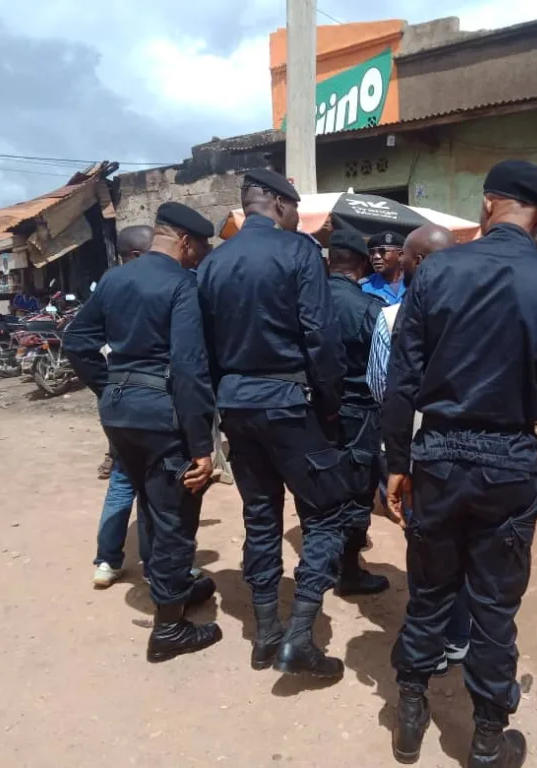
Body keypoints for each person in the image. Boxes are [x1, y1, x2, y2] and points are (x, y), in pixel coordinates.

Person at [383, 161, 537, 766]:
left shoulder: (437, 271)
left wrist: (397, 461)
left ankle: (410, 713)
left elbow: (402, 378)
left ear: (487, 206)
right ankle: (485, 740)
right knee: (493, 606)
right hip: (508, 460)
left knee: (429, 590)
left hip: (440, 454)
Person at [197, 168, 349, 680]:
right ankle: (300, 638)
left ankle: (266, 634)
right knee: (326, 514)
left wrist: (222, 404)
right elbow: (320, 335)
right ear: (280, 205)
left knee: (261, 516)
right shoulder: (299, 251)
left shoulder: (213, 263)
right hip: (291, 402)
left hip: (237, 407)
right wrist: (330, 404)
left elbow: (204, 349)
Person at [65, 203, 221, 663]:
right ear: (186, 243)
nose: (202, 256)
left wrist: (112, 386)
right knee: (174, 516)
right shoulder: (181, 286)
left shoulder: (114, 278)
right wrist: (202, 447)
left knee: (152, 505)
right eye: (202, 247)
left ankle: (173, 589)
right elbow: (191, 369)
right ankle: (169, 630)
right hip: (162, 418)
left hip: (118, 415)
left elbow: (77, 341)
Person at [367, 223, 473, 677]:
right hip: (478, 449)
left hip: (415, 448)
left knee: (426, 547)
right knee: (468, 544)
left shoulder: (393, 317)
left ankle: (427, 643)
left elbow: (380, 388)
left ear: (420, 263)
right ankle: (459, 637)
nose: (398, 263)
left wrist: (395, 458)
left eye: (405, 257)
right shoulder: (482, 314)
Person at [321, 226, 389, 597]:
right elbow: (384, 372)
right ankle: (349, 570)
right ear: (362, 264)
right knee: (358, 491)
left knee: (322, 486)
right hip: (360, 414)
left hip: (316, 412)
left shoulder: (306, 302)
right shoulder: (370, 308)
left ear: (331, 261)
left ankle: (324, 561)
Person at [92, 224, 155, 588]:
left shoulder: (107, 285)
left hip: (115, 399)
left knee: (121, 478)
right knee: (144, 483)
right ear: (133, 255)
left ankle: (107, 561)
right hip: (139, 396)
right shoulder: (135, 285)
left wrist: (104, 385)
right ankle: (149, 560)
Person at [361, 230, 406, 305]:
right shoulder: (363, 287)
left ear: (400, 255)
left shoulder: (415, 283)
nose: (376, 257)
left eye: (382, 252)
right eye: (372, 252)